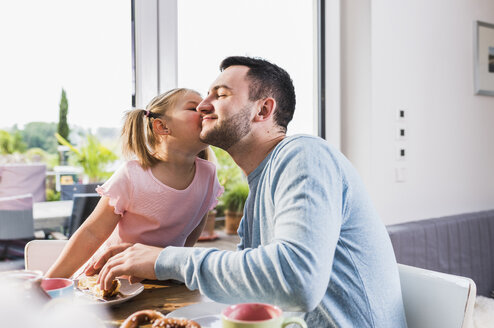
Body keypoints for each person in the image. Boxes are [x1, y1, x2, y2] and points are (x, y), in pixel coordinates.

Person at [89, 57, 407, 327]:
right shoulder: (259, 192)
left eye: (221, 94)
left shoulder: (304, 155)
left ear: (263, 110)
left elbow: (296, 282)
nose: (203, 105)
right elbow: (255, 292)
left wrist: (164, 259)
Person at [45, 88, 223, 279]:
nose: (205, 109)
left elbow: (193, 229)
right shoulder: (131, 175)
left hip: (163, 279)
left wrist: (178, 269)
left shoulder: (208, 175)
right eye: (193, 107)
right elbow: (92, 234)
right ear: (162, 127)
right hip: (112, 279)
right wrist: (49, 282)